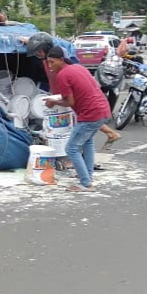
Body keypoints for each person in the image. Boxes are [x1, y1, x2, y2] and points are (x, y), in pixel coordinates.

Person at [25, 32, 121, 151]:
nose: (38, 55)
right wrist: (28, 41)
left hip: (66, 95)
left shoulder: (60, 61)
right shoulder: (48, 60)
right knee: (84, 126)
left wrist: (56, 100)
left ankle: (73, 155)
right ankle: (107, 136)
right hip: (60, 94)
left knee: (76, 129)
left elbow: (69, 99)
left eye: (39, 52)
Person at [44, 47, 111, 192]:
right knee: (87, 143)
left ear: (61, 60)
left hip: (90, 114)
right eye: (48, 63)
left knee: (71, 148)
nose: (50, 66)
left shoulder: (62, 75)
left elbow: (70, 102)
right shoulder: (77, 67)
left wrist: (53, 102)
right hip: (103, 109)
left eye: (52, 62)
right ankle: (88, 175)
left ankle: (85, 183)